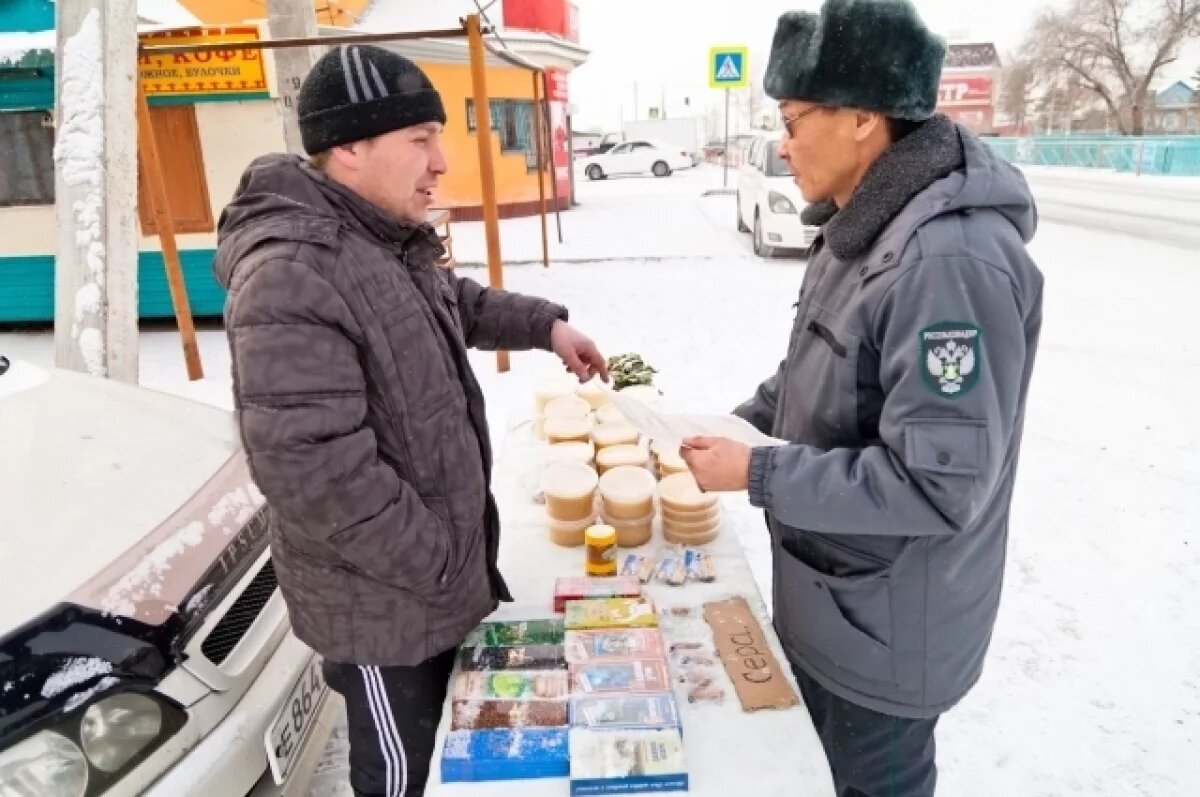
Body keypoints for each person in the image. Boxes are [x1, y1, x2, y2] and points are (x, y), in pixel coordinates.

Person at [213, 44, 607, 797]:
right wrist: (440, 560)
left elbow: (449, 302)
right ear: (350, 147)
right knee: (402, 778)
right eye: (420, 139)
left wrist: (545, 327)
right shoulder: (293, 271)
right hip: (385, 612)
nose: (441, 162)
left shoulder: (376, 237)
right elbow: (316, 473)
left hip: (426, 589)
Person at [680, 1, 1044, 794]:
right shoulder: (862, 230)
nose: (783, 141)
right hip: (836, 603)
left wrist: (758, 473)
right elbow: (813, 376)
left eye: (793, 118)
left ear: (860, 119)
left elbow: (937, 484)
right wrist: (727, 428)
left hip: (885, 634)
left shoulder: (949, 261)